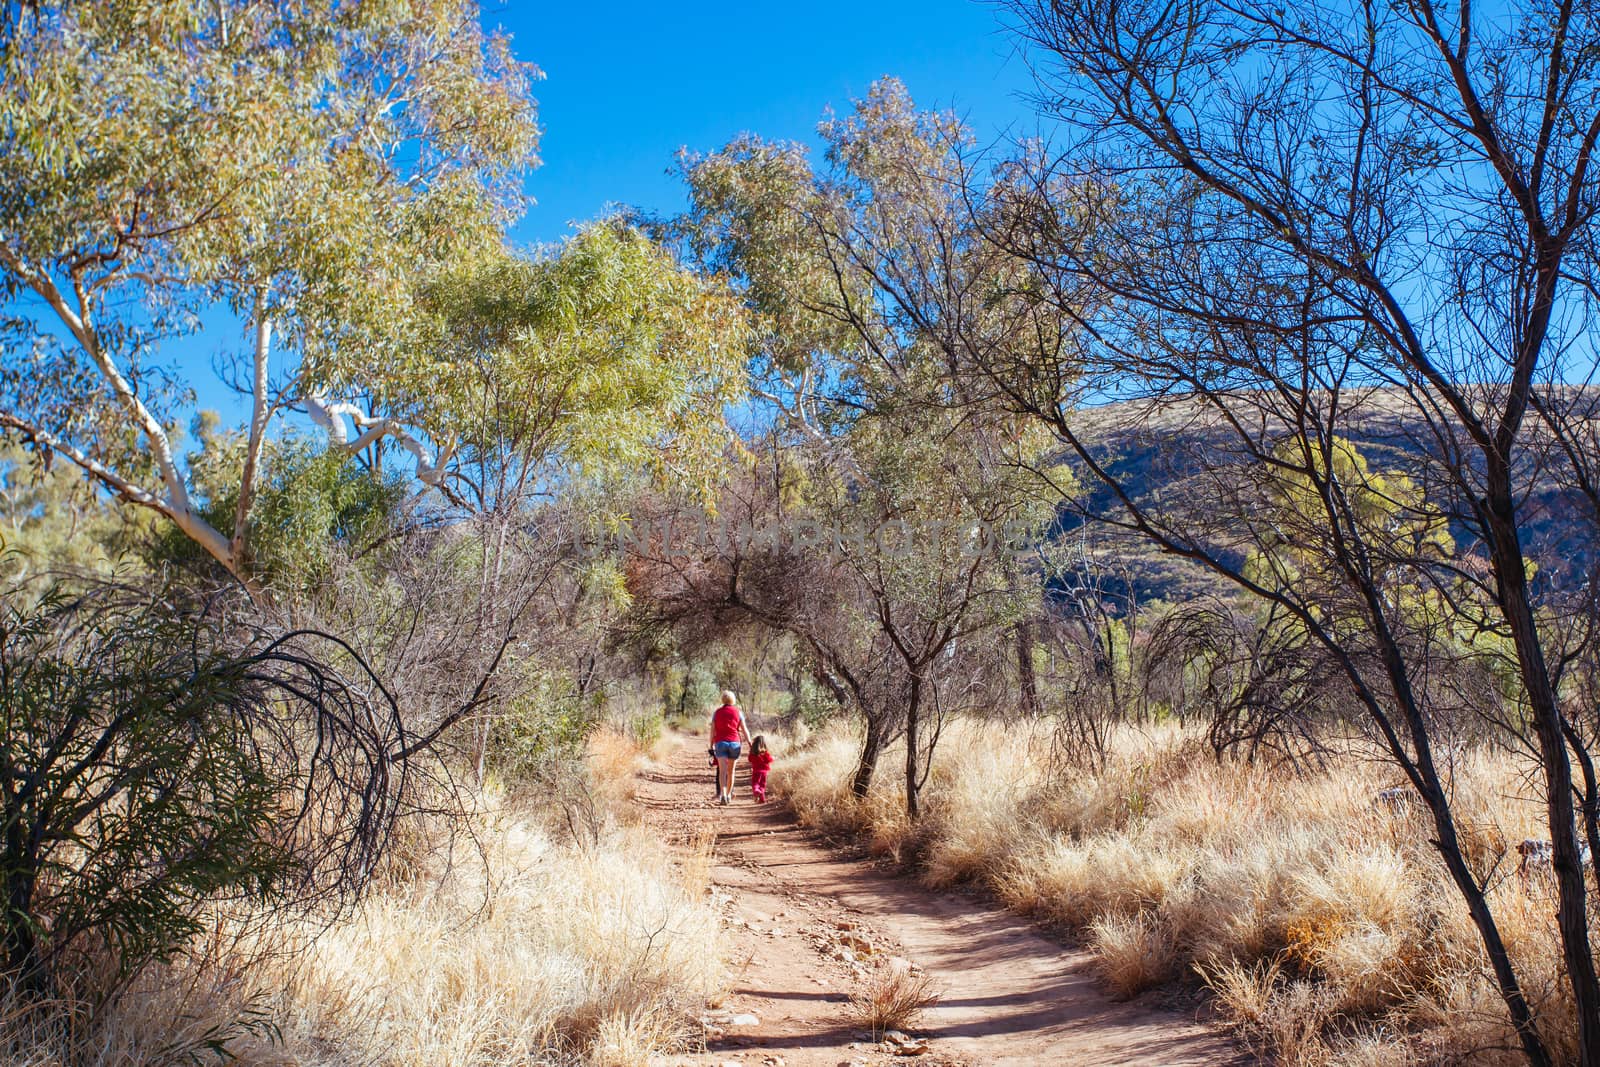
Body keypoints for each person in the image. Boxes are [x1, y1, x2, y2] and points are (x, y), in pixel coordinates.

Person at [708, 689, 751, 805]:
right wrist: (750, 742)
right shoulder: (738, 712)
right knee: (731, 772)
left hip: (720, 743)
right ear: (733, 699)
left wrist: (710, 745)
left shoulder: (717, 713)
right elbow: (745, 729)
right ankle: (728, 795)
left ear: (723, 699)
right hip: (735, 743)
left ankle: (722, 794)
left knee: (722, 772)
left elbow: (712, 731)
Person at [748, 735, 774, 803]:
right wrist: (773, 758)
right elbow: (770, 760)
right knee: (762, 785)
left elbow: (750, 759)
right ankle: (762, 799)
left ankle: (757, 791)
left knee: (755, 783)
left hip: (756, 771)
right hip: (764, 772)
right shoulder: (765, 753)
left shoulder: (753, 753)